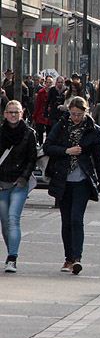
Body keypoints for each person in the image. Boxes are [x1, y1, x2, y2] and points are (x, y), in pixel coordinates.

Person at [44, 97, 100, 275]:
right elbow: (48, 147)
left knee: (76, 219)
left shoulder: (94, 130)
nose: (76, 118)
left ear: (86, 112)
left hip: (82, 180)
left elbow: (99, 158)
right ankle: (68, 258)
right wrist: (67, 151)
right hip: (63, 179)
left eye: (79, 114)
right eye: (73, 114)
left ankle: (77, 258)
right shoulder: (61, 125)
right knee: (66, 221)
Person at [0, 100, 38, 272]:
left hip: (19, 183)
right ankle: (10, 252)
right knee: (5, 222)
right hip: (2, 183)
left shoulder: (29, 134)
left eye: (17, 112)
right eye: (10, 112)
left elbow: (32, 158)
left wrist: (24, 177)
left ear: (22, 113)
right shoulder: (0, 133)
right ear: (5, 114)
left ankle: (12, 258)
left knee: (13, 219)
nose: (13, 115)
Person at [32, 76, 53, 144]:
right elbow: (37, 105)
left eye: (50, 82)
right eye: (47, 82)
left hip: (50, 115)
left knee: (49, 132)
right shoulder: (41, 92)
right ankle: (40, 144)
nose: (49, 84)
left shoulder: (54, 92)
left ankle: (47, 145)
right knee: (40, 131)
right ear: (45, 83)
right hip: (41, 114)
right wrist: (34, 116)